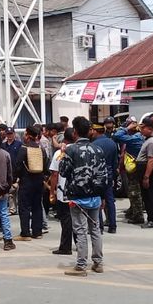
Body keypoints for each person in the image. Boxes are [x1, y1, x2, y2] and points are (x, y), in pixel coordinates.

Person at [62, 117, 107, 276]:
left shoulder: (71, 150)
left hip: (77, 196)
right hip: (95, 196)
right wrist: (102, 197)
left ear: (74, 132)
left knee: (80, 231)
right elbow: (104, 175)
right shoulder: (98, 150)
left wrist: (62, 153)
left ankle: (81, 265)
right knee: (95, 229)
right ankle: (98, 263)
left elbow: (63, 171)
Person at [15, 125, 47, 241]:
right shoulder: (41, 148)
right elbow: (46, 166)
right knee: (37, 206)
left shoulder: (23, 149)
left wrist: (15, 179)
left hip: (26, 181)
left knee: (24, 207)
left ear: (28, 135)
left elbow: (17, 166)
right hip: (39, 181)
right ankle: (37, 232)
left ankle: (25, 233)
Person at [113, 121, 145, 224]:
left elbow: (117, 136)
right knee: (136, 191)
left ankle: (138, 215)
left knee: (134, 192)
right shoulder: (141, 137)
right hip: (139, 167)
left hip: (134, 168)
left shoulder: (135, 138)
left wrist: (126, 128)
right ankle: (133, 211)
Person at [49, 135, 74, 255]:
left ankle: (65, 247)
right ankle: (80, 244)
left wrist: (51, 192)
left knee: (66, 220)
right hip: (79, 192)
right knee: (79, 220)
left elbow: (54, 174)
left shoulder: (59, 153)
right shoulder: (83, 150)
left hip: (63, 192)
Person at [92, 124, 119, 233]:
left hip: (98, 175)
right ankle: (112, 226)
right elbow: (115, 161)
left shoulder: (93, 144)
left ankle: (100, 226)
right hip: (108, 173)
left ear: (96, 131)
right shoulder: (112, 143)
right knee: (110, 200)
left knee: (98, 200)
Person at [2, 127, 22, 215]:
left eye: (11, 134)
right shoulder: (3, 145)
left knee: (18, 190)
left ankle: (19, 207)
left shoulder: (19, 144)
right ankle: (12, 208)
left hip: (17, 170)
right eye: (8, 134)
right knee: (10, 191)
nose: (9, 136)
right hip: (6, 170)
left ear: (14, 134)